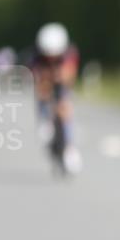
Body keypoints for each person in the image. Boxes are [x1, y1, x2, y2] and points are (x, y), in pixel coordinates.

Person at [30, 23, 81, 172]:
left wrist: (61, 78)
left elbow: (70, 76)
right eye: (48, 55)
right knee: (42, 93)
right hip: (45, 83)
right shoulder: (36, 55)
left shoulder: (70, 53)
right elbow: (36, 78)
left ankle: (69, 148)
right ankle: (44, 121)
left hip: (62, 84)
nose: (51, 58)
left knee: (65, 107)